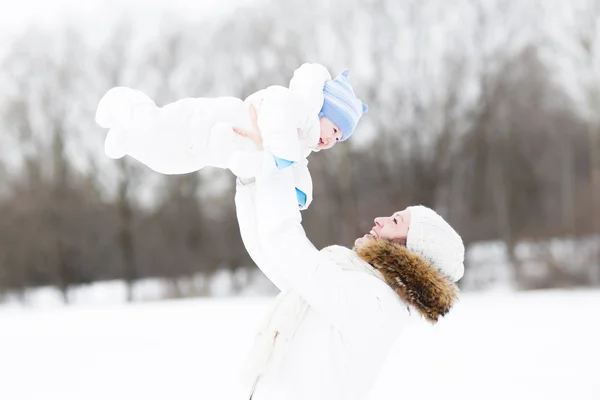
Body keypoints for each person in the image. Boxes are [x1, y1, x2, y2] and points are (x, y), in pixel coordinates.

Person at [233, 116, 464, 400]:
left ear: (411, 250)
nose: (379, 220)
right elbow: (274, 256)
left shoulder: (377, 303)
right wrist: (250, 174)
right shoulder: (356, 277)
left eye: (395, 220)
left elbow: (286, 246)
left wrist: (274, 163)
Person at [94, 63, 367, 210]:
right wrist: (279, 157)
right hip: (206, 121)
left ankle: (126, 138)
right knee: (157, 124)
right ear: (322, 110)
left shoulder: (298, 147)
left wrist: (299, 194)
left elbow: (295, 167)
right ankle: (124, 103)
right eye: (334, 130)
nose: (332, 140)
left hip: (206, 152)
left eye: (338, 139)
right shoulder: (292, 104)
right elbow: (277, 122)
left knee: (166, 163)